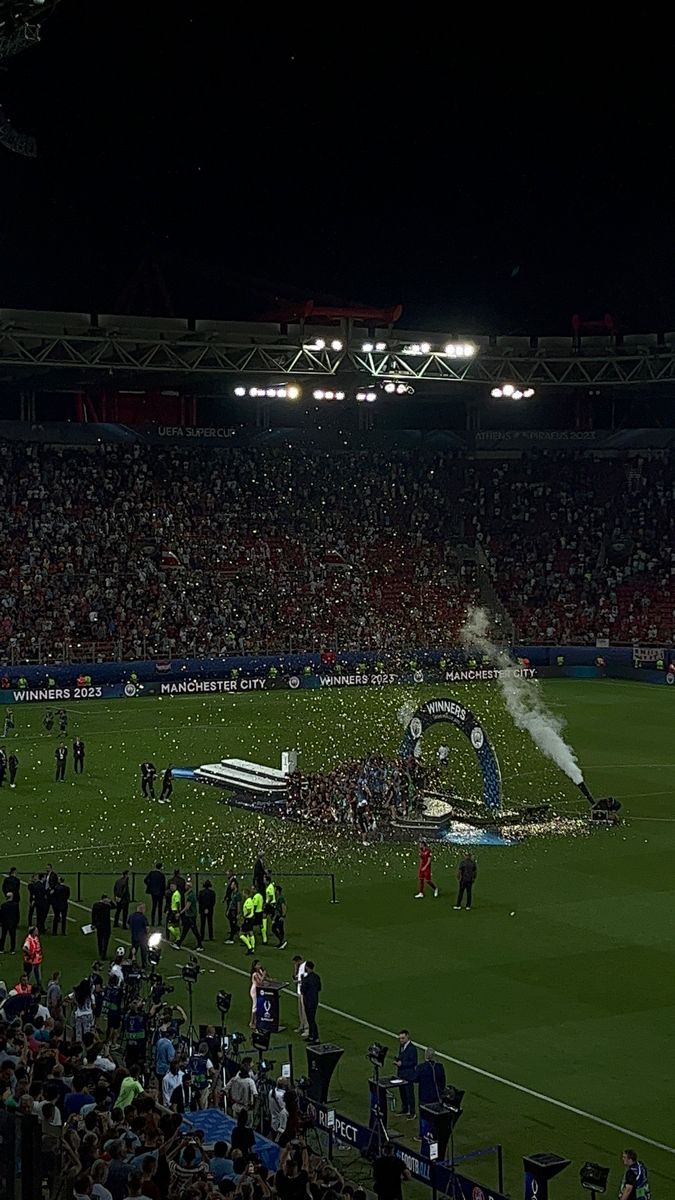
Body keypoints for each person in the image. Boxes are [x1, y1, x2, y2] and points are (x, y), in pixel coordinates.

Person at [394, 1029, 418, 1119]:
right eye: (400, 1038)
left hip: (408, 1075)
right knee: (402, 1093)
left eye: (403, 1038)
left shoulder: (412, 1049)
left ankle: (412, 1112)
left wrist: (402, 1064)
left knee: (409, 1094)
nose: (401, 1040)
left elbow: (414, 1062)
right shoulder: (402, 1046)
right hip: (401, 1074)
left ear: (408, 1037)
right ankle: (404, 1109)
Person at [177, 878, 203, 949]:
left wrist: (180, 913)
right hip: (190, 915)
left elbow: (187, 907)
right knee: (186, 930)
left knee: (194, 931)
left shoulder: (190, 895)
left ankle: (200, 945)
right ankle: (179, 943)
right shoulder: (191, 894)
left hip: (190, 916)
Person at [301, 960, 321, 1043]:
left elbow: (302, 990)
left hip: (308, 1001)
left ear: (307, 967)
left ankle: (315, 1037)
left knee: (311, 1020)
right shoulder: (317, 977)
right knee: (311, 1019)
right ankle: (311, 1036)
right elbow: (319, 988)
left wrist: (302, 982)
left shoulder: (306, 979)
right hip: (315, 1000)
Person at [91, 894, 114, 959]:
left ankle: (101, 952)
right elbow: (114, 906)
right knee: (105, 940)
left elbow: (93, 915)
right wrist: (110, 901)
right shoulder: (107, 906)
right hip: (106, 925)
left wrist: (93, 924)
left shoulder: (96, 905)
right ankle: (103, 954)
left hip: (99, 925)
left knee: (100, 939)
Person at [128, 903, 149, 967]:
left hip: (134, 936)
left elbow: (128, 923)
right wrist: (147, 934)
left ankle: (129, 961)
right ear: (142, 909)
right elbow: (147, 928)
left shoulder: (132, 916)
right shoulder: (143, 917)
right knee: (143, 952)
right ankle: (144, 964)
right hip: (142, 938)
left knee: (133, 950)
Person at [292, 954, 308, 1036]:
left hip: (304, 992)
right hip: (299, 991)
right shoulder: (299, 967)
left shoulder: (304, 967)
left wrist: (297, 981)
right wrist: (295, 968)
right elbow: (295, 976)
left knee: (305, 1011)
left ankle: (306, 1029)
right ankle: (301, 1025)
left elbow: (305, 979)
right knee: (300, 1010)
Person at [249, 959, 266, 1029]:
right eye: (258, 965)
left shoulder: (260, 971)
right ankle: (251, 1022)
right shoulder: (255, 974)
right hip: (255, 991)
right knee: (255, 1007)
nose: (260, 965)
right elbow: (260, 982)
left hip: (259, 990)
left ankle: (256, 1021)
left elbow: (265, 979)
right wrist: (264, 976)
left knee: (258, 1006)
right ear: (255, 966)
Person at [198, 878, 216, 942]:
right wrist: (208, 908)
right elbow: (213, 902)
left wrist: (204, 908)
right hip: (210, 909)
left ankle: (202, 936)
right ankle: (211, 936)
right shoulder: (212, 893)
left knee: (202, 924)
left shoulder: (201, 893)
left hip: (202, 909)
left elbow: (200, 901)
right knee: (210, 923)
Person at [224, 875, 241, 944]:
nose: (231, 886)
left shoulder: (238, 894)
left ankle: (231, 938)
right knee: (232, 924)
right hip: (231, 910)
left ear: (235, 885)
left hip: (234, 911)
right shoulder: (232, 893)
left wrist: (238, 913)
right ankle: (237, 930)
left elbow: (238, 904)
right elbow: (231, 903)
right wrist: (228, 910)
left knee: (233, 924)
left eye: (232, 884)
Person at [239, 887, 256, 955]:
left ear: (246, 894)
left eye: (243, 893)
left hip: (248, 919)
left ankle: (249, 947)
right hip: (250, 919)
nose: (243, 894)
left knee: (241, 934)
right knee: (250, 933)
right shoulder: (250, 900)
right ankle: (253, 948)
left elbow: (248, 911)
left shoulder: (248, 901)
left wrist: (243, 916)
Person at [272, 883, 287, 949]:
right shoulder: (279, 898)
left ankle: (282, 942)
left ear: (277, 891)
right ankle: (281, 942)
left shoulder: (280, 898)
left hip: (279, 916)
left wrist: (282, 916)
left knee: (275, 928)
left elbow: (283, 907)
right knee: (279, 929)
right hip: (278, 916)